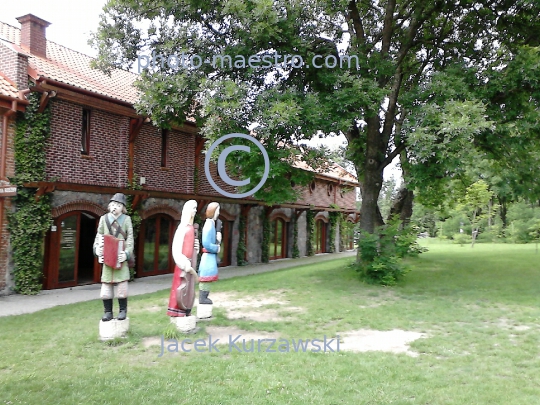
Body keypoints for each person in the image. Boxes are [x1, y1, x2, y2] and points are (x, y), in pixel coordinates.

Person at [93, 193, 134, 322]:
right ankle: (108, 312)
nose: (115, 207)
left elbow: (130, 239)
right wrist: (98, 249)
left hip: (120, 258)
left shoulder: (126, 220)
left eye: (118, 205)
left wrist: (126, 253)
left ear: (123, 207)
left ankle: (122, 311)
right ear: (110, 205)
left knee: (122, 289)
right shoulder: (104, 219)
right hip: (107, 259)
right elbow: (99, 236)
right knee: (105, 289)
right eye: (114, 204)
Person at [167, 200, 200, 317]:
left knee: (189, 289)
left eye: (196, 208)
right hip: (183, 265)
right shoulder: (182, 228)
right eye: (193, 208)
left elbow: (191, 246)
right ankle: (177, 310)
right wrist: (185, 265)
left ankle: (187, 308)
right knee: (180, 288)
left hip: (191, 263)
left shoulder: (191, 228)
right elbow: (176, 249)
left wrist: (196, 247)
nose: (195, 211)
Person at [198, 202, 222, 304]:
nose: (218, 213)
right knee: (206, 277)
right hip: (208, 257)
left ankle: (204, 296)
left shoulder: (211, 224)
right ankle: (203, 297)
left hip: (210, 257)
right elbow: (206, 243)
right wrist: (216, 248)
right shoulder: (208, 225)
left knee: (208, 277)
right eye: (218, 210)